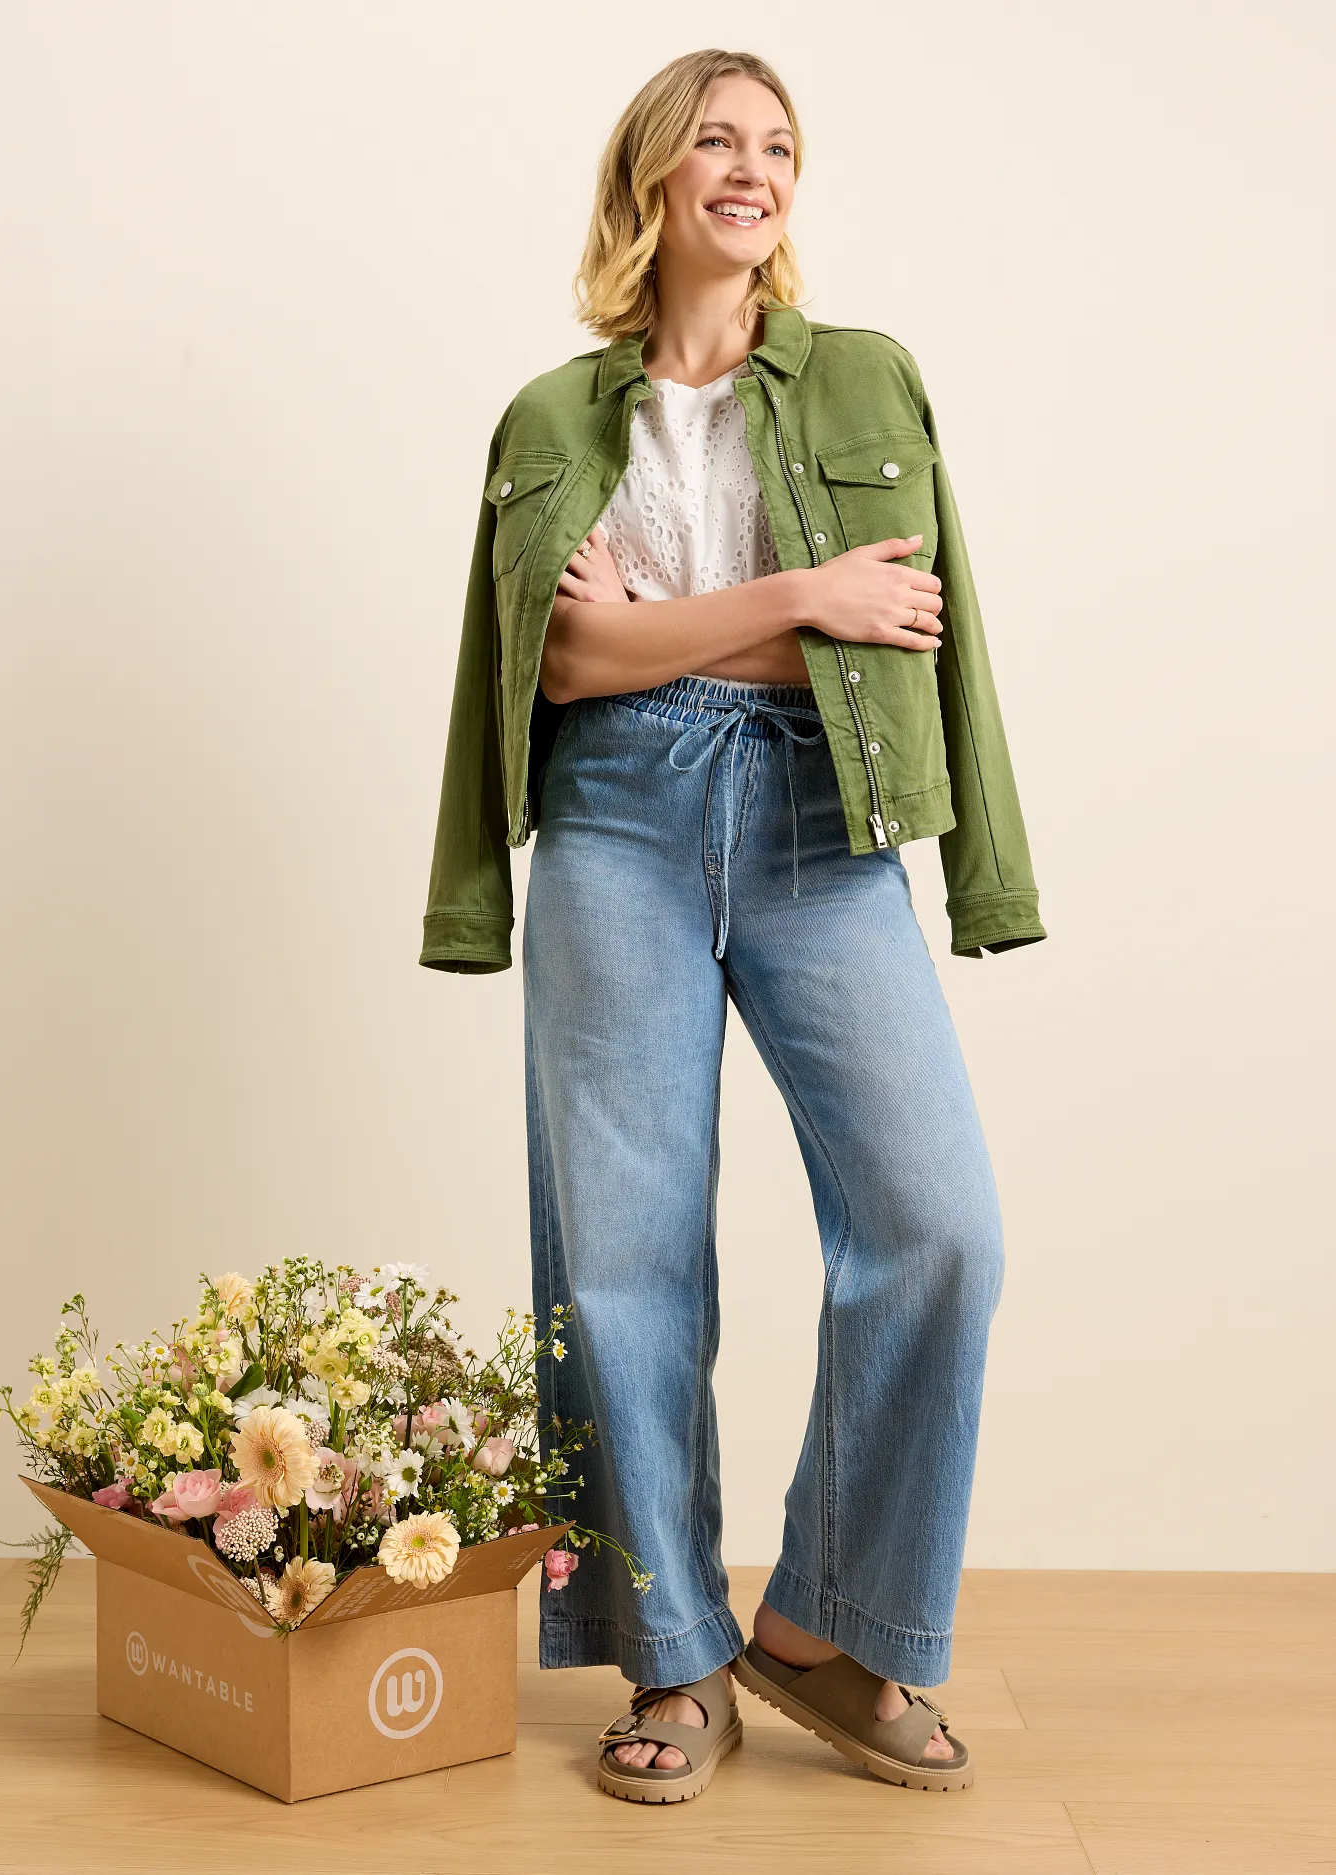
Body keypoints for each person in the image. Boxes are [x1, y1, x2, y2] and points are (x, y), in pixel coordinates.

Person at [420, 47, 1046, 1804]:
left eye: (779, 146)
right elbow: (554, 665)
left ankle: (824, 1631)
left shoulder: (863, 380)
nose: (753, 168)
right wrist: (794, 598)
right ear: (651, 180)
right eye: (718, 140)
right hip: (610, 820)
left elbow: (908, 630)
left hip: (815, 822)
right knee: (621, 1262)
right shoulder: (553, 420)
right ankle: (674, 1655)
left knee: (939, 1228)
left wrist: (682, 624)